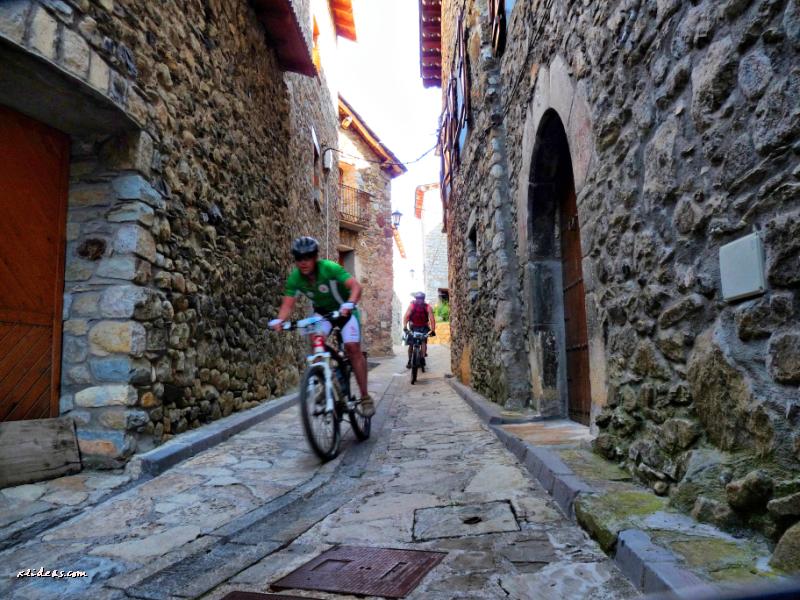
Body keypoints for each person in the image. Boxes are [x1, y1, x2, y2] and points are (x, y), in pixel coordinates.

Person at [271, 236, 374, 416]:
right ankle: (325, 384)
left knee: (352, 348)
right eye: (299, 258)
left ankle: (365, 397)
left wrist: (349, 303)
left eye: (308, 257)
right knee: (316, 341)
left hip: (344, 310)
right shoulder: (295, 278)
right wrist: (280, 320)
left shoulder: (329, 268)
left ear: (315, 257)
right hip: (323, 313)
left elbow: (356, 287)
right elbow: (287, 305)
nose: (303, 262)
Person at [403, 291, 435, 369]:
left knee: (423, 341)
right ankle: (409, 360)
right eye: (418, 298)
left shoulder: (427, 307)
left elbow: (432, 319)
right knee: (411, 344)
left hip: (424, 326)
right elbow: (406, 316)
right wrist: (405, 327)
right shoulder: (412, 305)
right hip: (413, 326)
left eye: (421, 298)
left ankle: (422, 358)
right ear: (416, 299)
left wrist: (433, 330)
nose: (419, 300)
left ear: (423, 299)